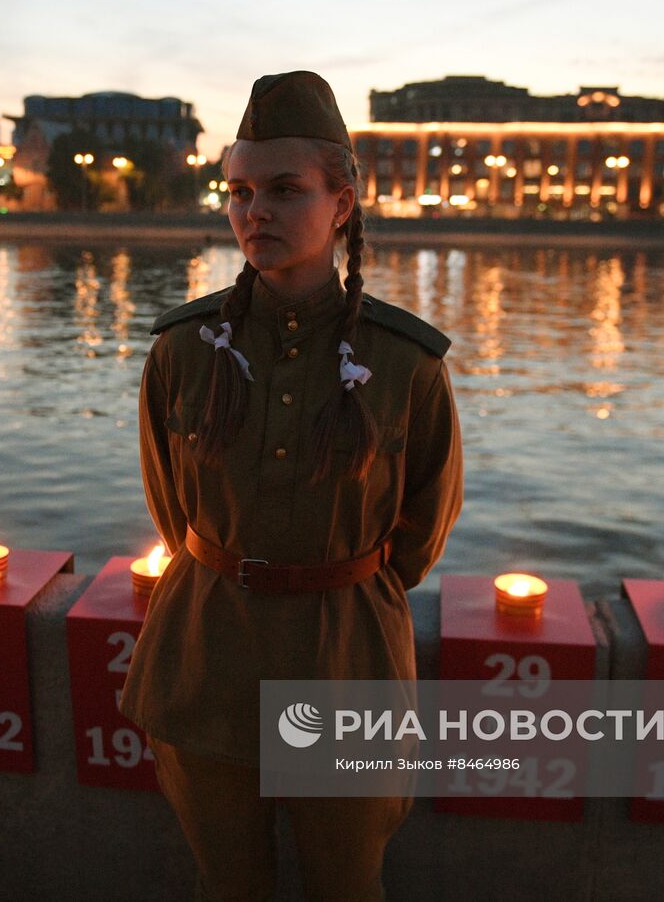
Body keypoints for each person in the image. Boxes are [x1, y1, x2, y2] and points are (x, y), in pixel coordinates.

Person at [118, 70, 464, 902]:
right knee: (226, 885)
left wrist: (328, 580)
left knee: (349, 886)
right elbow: (175, 514)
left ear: (341, 202)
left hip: (343, 665)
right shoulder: (182, 350)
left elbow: (418, 536)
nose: (254, 211)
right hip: (204, 659)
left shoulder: (405, 363)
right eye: (238, 190)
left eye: (283, 189)